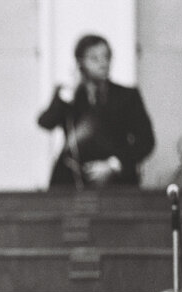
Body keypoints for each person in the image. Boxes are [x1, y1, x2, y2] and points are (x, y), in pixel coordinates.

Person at [38, 34, 155, 189]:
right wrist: (68, 93)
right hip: (73, 179)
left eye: (106, 56)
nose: (103, 63)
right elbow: (46, 122)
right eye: (94, 58)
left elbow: (146, 141)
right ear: (80, 63)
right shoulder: (69, 95)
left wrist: (114, 165)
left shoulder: (127, 96)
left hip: (116, 183)